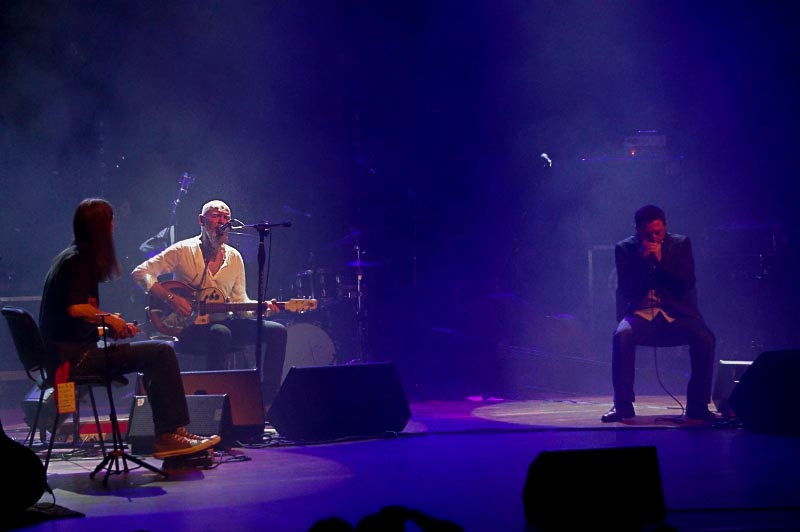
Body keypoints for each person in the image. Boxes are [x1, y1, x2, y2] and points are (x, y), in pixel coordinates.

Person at [39, 198, 221, 459]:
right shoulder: (78, 261)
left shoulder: (70, 257)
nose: (114, 226)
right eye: (111, 221)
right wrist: (110, 320)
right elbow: (76, 309)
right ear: (103, 226)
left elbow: (72, 321)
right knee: (161, 352)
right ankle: (168, 435)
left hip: (70, 354)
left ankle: (174, 431)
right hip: (75, 360)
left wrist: (108, 327)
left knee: (155, 354)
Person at [131, 199, 288, 412]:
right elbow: (141, 273)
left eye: (226, 218)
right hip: (189, 327)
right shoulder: (183, 250)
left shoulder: (234, 257)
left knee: (277, 331)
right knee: (220, 333)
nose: (222, 222)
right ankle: (213, 405)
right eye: (216, 216)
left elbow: (239, 302)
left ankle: (268, 402)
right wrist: (171, 299)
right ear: (201, 221)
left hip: (223, 323)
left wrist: (262, 308)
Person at [601, 204, 716, 423]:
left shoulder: (680, 244)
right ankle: (622, 406)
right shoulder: (625, 249)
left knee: (705, 337)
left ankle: (698, 406)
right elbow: (627, 289)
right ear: (638, 231)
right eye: (648, 234)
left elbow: (684, 284)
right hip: (641, 314)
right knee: (622, 335)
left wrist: (662, 261)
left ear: (665, 227)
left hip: (677, 314)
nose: (654, 238)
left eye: (658, 232)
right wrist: (643, 262)